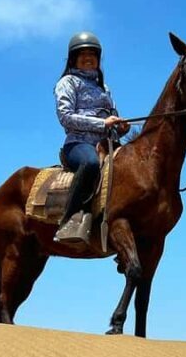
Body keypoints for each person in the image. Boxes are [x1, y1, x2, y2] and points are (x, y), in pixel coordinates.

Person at [53, 31, 129, 244]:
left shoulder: (104, 88)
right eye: (83, 54)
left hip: (108, 144)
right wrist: (102, 124)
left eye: (93, 55)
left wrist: (119, 127)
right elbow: (65, 117)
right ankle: (70, 220)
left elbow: (111, 120)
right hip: (79, 143)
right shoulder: (68, 82)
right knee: (90, 164)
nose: (88, 58)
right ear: (74, 59)